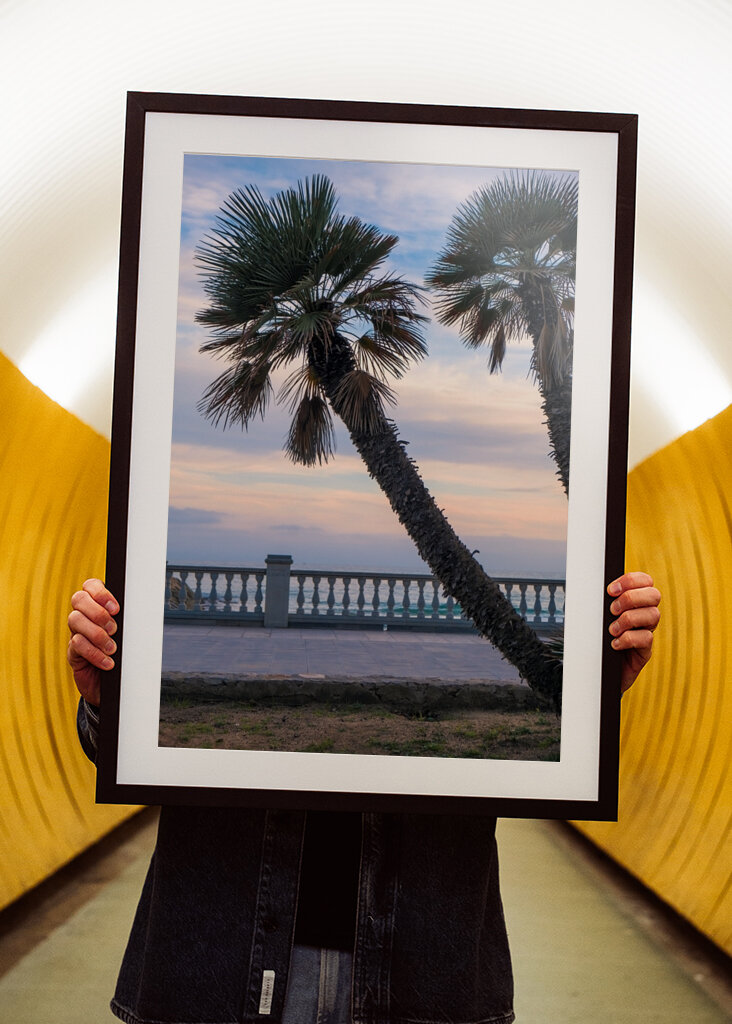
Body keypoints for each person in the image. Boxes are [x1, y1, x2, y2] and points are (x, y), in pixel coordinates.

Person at [68, 572, 661, 1024]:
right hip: (219, 961)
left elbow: (541, 753)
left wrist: (587, 699)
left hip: (422, 969)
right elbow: (123, 752)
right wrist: (109, 702)